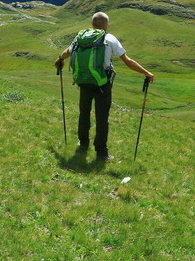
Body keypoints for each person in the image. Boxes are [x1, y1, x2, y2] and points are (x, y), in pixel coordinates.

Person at [54, 12, 154, 161]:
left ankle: (83, 144)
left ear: (92, 24)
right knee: (102, 117)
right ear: (106, 24)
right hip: (102, 83)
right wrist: (147, 73)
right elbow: (128, 61)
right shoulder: (109, 38)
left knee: (84, 113)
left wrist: (60, 59)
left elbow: (67, 52)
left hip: (84, 81)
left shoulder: (80, 37)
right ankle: (101, 153)